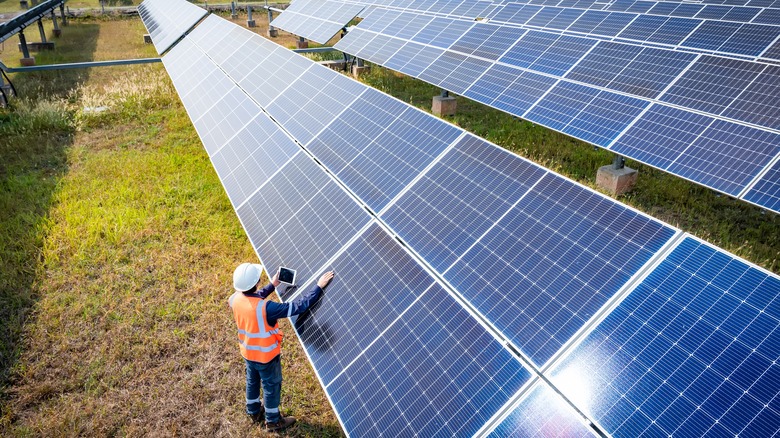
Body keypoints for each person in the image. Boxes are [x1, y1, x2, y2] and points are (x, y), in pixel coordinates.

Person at [228, 263, 334, 432]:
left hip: (248, 352)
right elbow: (299, 306)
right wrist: (319, 287)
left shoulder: (233, 299)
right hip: (266, 357)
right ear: (255, 282)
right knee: (271, 386)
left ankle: (253, 411)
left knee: (252, 381)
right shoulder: (267, 308)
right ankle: (273, 420)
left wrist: (273, 284)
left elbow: (252, 299)